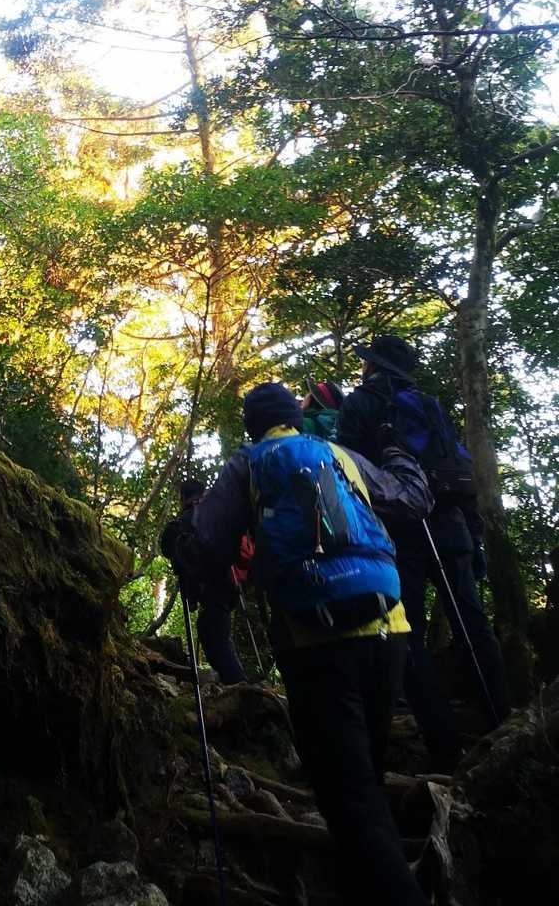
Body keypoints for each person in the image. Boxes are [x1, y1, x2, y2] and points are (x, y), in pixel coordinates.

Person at [178, 382, 432, 906]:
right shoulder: (340, 454)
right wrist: (396, 450)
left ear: (252, 425)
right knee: (365, 778)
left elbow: (210, 544)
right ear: (295, 417)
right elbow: (412, 499)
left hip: (315, 639)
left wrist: (180, 540)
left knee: (347, 795)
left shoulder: (249, 462)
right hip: (389, 627)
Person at [338, 335, 510, 766]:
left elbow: (350, 474)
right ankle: (503, 722)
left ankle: (443, 745)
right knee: (472, 622)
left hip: (399, 533)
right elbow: (456, 465)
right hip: (451, 525)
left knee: (408, 634)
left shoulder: (360, 404)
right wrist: (474, 537)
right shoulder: (428, 405)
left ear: (372, 366)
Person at [161, 480, 248, 684]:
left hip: (212, 588)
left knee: (214, 636)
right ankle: (238, 686)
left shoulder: (184, 522)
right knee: (214, 633)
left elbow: (167, 546)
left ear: (183, 497)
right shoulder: (218, 516)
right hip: (232, 584)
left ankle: (242, 689)